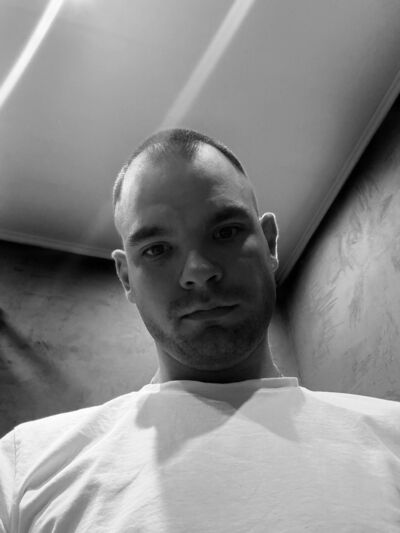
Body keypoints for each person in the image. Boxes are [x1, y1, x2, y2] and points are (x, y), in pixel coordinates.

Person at [0, 129, 399, 532]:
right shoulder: (23, 468)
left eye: (225, 232)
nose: (198, 271)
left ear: (270, 244)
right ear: (126, 277)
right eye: (156, 249)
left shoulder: (392, 437)